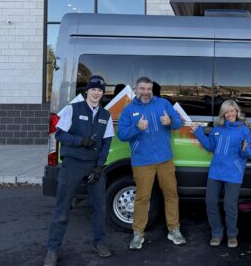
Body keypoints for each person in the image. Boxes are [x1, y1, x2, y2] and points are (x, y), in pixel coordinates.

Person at [44, 75, 115, 266]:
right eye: (93, 89)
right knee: (62, 206)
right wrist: (80, 141)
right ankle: (53, 249)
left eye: (99, 90)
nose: (96, 93)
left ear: (102, 93)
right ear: (87, 91)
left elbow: (107, 143)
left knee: (99, 206)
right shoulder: (73, 109)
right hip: (73, 165)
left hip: (93, 166)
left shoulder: (105, 116)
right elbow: (59, 134)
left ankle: (99, 243)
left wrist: (100, 166)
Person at [117, 76, 185, 249]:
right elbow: (122, 135)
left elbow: (178, 122)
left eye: (148, 89)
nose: (145, 92)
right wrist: (136, 128)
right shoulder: (129, 110)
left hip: (164, 159)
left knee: (171, 194)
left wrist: (171, 122)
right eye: (142, 88)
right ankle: (138, 234)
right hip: (142, 161)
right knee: (142, 197)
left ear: (152, 89)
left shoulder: (163, 104)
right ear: (136, 89)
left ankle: (174, 230)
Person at [191, 100, 251, 248]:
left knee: (229, 205)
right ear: (223, 114)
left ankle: (232, 235)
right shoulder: (218, 129)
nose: (230, 114)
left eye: (233, 111)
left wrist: (245, 150)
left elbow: (248, 154)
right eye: (227, 111)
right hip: (216, 171)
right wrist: (198, 132)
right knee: (211, 202)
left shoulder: (244, 130)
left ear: (237, 112)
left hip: (233, 172)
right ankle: (217, 233)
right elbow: (210, 146)